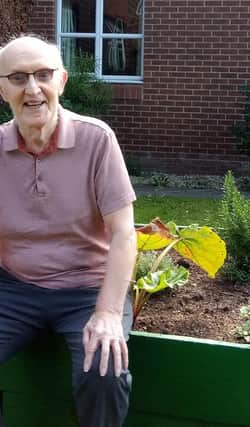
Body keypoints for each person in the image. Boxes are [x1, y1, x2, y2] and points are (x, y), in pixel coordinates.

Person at [0, 35, 137, 426]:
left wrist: (109, 312)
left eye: (43, 74)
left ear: (61, 81)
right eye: (17, 77)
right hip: (12, 287)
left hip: (86, 289)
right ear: (2, 88)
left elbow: (124, 233)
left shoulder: (97, 139)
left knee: (105, 369)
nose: (32, 89)